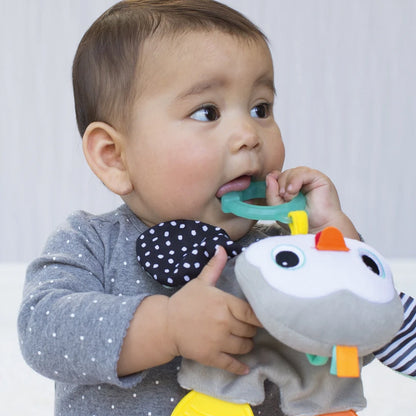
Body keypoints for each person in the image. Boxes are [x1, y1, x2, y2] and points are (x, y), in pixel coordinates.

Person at [18, 1, 403, 415]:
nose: (249, 134)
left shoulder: (283, 250)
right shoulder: (91, 242)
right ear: (114, 156)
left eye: (260, 109)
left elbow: (356, 340)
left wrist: (332, 239)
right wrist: (165, 326)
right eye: (208, 112)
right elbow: (43, 331)